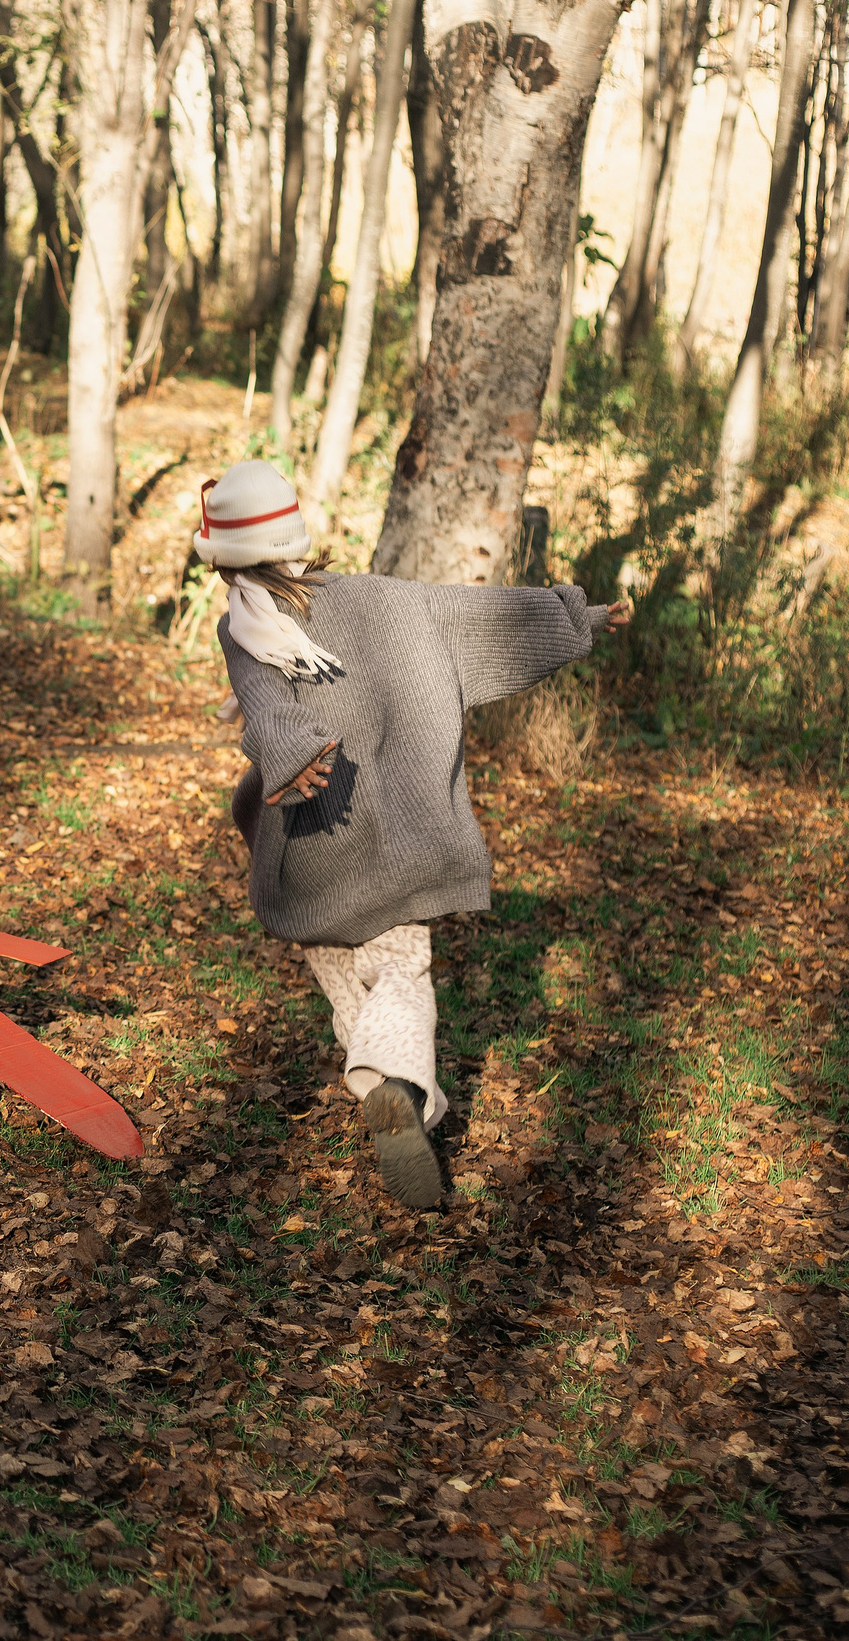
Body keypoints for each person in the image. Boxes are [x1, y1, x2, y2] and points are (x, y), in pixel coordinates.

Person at [199, 461, 629, 1209]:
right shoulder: (382, 598)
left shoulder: (241, 627)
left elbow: (266, 707)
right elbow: (480, 617)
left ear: (225, 562)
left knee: (344, 981)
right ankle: (398, 1084)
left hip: (312, 847)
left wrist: (290, 754)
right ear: (296, 536)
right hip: (402, 840)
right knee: (400, 973)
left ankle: (378, 1079)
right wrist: (578, 617)